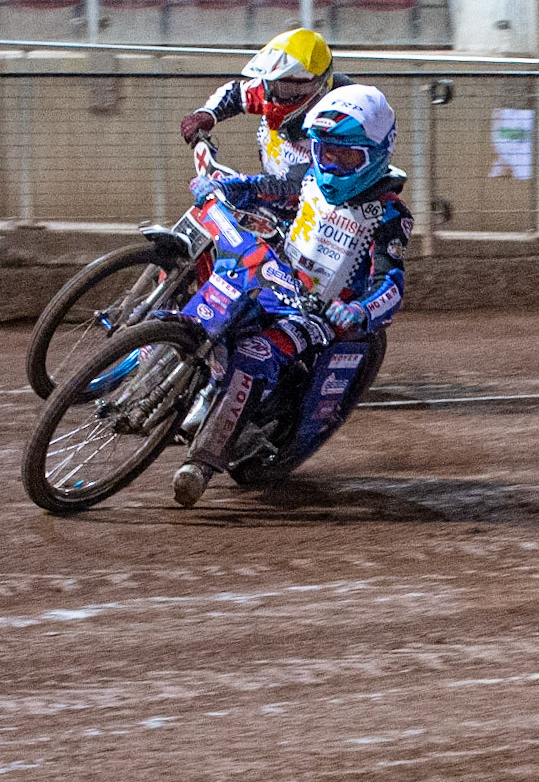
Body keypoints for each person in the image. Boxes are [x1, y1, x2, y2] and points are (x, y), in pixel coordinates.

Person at [171, 84, 414, 506]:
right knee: (211, 301)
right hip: (273, 276)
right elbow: (263, 187)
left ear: (377, 154)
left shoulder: (390, 215)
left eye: (347, 156)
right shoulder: (309, 178)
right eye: (326, 153)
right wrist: (220, 189)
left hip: (319, 315)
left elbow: (391, 282)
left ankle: (201, 463)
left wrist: (359, 309)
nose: (333, 166)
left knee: (255, 353)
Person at [178, 28, 353, 180]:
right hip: (269, 188)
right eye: (272, 84)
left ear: (318, 86)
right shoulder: (268, 93)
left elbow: (303, 183)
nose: (276, 95)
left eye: (286, 88)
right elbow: (235, 93)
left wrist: (245, 188)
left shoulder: (341, 122)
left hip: (319, 207)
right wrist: (207, 115)